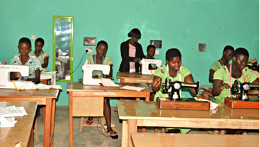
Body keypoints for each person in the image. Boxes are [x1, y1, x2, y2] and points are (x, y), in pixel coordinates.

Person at [152, 48, 207, 134]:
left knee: (190, 111)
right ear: (167, 61)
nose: (177, 65)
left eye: (179, 61)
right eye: (173, 62)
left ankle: (175, 130)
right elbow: (156, 88)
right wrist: (156, 85)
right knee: (171, 112)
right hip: (162, 99)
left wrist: (197, 94)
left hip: (177, 99)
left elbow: (191, 85)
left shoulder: (183, 70)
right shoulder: (161, 71)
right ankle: (173, 129)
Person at [84, 40, 118, 139]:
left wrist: (110, 67)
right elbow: (86, 73)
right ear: (96, 49)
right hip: (91, 84)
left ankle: (108, 127)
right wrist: (92, 76)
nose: (102, 52)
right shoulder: (89, 59)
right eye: (100, 49)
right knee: (91, 96)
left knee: (106, 99)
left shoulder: (108, 60)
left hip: (103, 84)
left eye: (104, 50)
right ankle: (90, 115)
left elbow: (110, 75)